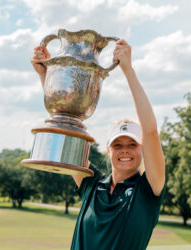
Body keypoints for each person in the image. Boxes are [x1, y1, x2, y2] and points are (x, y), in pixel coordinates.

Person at [31, 38, 166, 250]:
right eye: (118, 145)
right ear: (108, 150)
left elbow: (150, 132)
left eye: (132, 144)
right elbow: (66, 130)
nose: (125, 151)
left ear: (142, 149)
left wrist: (128, 71)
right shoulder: (92, 184)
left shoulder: (148, 191)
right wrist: (47, 76)